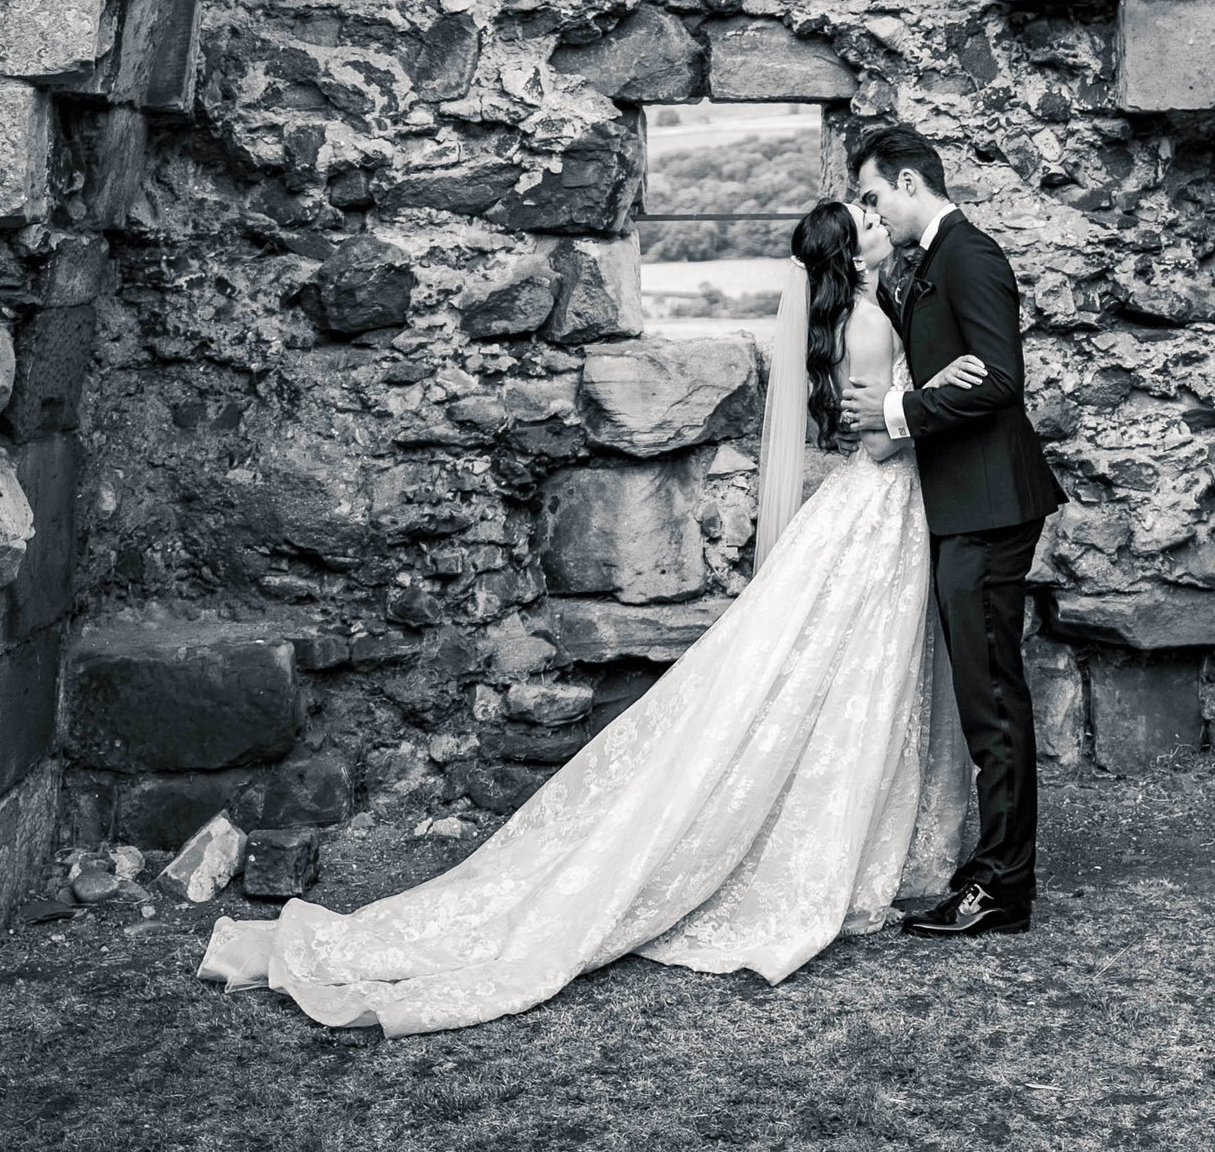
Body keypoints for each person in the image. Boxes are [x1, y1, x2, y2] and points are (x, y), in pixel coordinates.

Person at [196, 195, 981, 1032]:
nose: (873, 219)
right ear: (849, 255)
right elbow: (878, 440)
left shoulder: (870, 309)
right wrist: (936, 392)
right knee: (849, 679)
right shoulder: (866, 324)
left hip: (881, 516)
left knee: (858, 682)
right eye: (862, 218)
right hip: (878, 505)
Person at [846, 124, 1066, 941]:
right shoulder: (923, 264)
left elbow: (1002, 379)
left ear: (909, 180)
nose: (870, 210)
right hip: (961, 506)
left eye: (873, 194)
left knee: (993, 700)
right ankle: (995, 870)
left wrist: (900, 410)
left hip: (989, 506)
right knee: (985, 697)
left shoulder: (971, 255)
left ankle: (1001, 885)